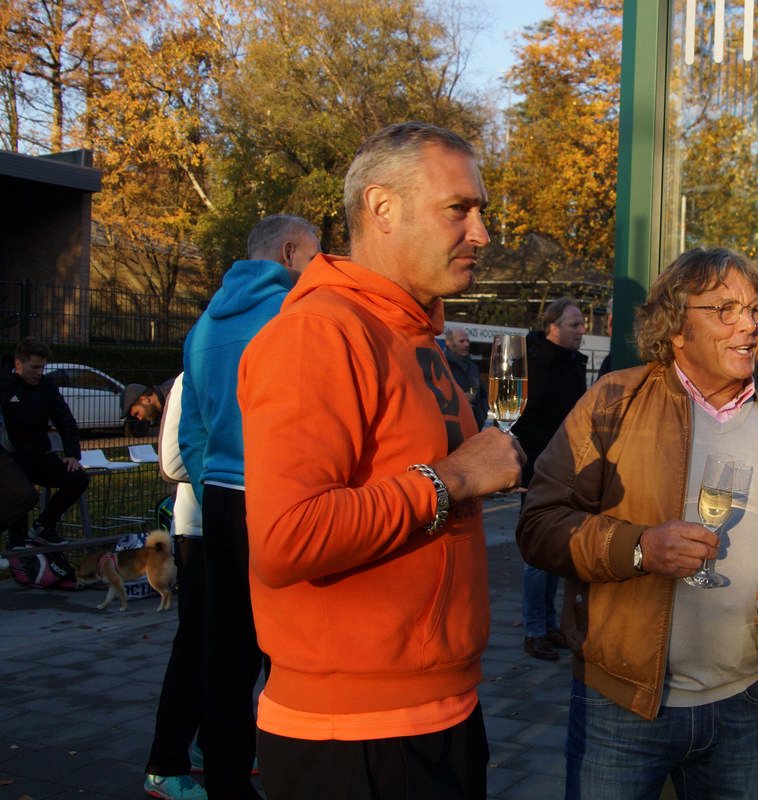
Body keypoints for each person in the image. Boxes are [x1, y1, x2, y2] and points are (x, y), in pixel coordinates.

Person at [238, 121, 524, 800]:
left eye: (481, 211)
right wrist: (458, 476)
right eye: (459, 209)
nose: (481, 233)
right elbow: (286, 538)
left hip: (444, 708)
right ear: (382, 207)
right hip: (353, 735)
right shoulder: (318, 332)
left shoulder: (416, 336)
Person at [516, 247, 758, 800]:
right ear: (676, 327)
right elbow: (539, 524)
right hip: (623, 708)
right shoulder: (612, 403)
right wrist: (637, 549)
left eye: (756, 310)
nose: (749, 325)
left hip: (748, 705)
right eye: (725, 310)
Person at [180, 213, 320, 800]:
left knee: (226, 648)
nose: (317, 268)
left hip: (218, 496)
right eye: (313, 256)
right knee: (288, 649)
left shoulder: (203, 326)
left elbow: (191, 429)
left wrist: (212, 480)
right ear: (288, 253)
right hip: (277, 494)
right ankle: (293, 775)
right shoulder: (295, 315)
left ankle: (226, 783)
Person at [511, 296, 588, 661]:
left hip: (567, 471)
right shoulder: (536, 363)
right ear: (553, 327)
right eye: (575, 325)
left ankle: (548, 624)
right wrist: (545, 460)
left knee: (557, 549)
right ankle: (534, 630)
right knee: (537, 556)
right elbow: (524, 422)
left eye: (582, 324)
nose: (582, 331)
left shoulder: (572, 363)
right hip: (540, 472)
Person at [143, 373, 208, 800]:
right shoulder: (194, 374)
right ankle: (165, 766)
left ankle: (211, 743)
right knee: (195, 648)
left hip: (249, 527)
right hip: (200, 531)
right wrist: (239, 471)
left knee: (239, 649)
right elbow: (171, 462)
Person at [1, 336, 89, 548]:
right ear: (18, 364)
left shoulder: (47, 386)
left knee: (78, 478)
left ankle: (43, 525)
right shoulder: (3, 385)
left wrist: (72, 454)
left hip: (39, 456)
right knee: (22, 492)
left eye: (42, 367)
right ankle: (17, 542)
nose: (39, 372)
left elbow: (65, 420)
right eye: (34, 367)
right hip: (9, 459)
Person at [442, 328, 488, 430]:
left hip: (474, 429)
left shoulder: (473, 367)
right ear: (449, 343)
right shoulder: (441, 366)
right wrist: (460, 398)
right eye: (461, 341)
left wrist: (482, 415)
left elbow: (482, 395)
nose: (466, 344)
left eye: (467, 341)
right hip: (450, 430)